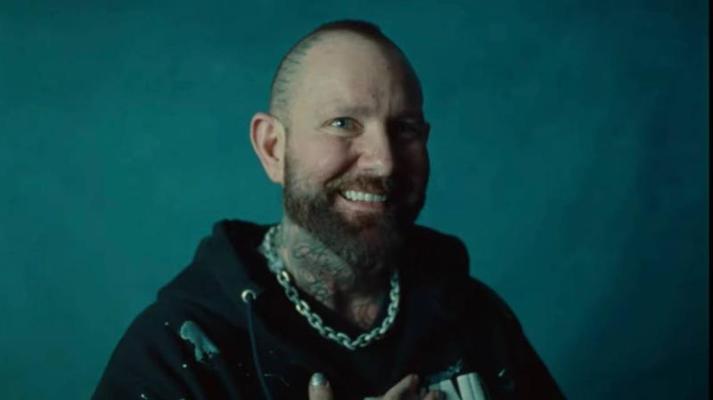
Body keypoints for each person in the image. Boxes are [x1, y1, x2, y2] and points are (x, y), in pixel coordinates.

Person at [93, 20, 565, 400]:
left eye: (404, 128)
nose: (384, 162)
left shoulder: (475, 318)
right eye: (343, 123)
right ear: (273, 147)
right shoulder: (178, 351)